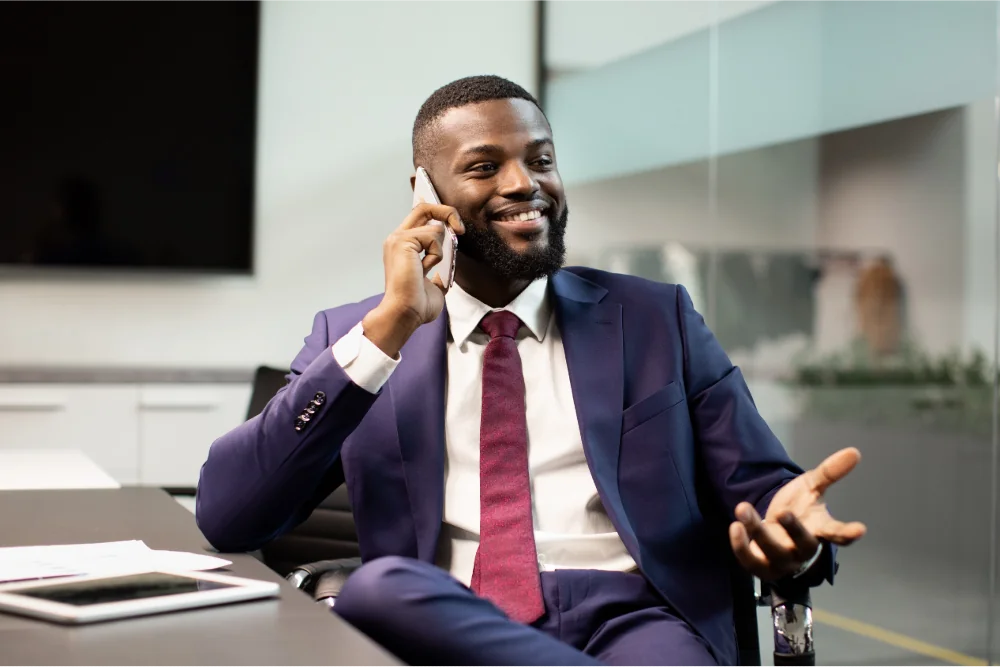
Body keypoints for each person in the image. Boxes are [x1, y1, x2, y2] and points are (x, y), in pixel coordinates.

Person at [196, 75, 866, 667]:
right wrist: (388, 328)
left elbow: (768, 493)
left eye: (540, 160)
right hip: (450, 614)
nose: (524, 183)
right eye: (485, 166)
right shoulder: (359, 337)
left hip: (633, 616)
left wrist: (794, 542)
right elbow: (230, 515)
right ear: (426, 193)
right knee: (378, 586)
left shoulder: (656, 317)